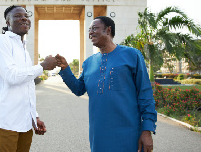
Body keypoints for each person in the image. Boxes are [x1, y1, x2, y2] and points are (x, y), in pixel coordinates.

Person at [56, 16, 157, 152]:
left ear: (108, 30)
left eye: (94, 28)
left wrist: (147, 130)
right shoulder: (89, 63)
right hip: (99, 135)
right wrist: (65, 68)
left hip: (129, 134)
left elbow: (145, 94)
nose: (90, 32)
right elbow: (78, 89)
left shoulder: (132, 55)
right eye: (89, 29)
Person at [0, 5, 57, 152]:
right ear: (8, 22)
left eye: (26, 15)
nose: (24, 18)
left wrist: (34, 117)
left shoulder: (23, 48)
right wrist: (42, 66)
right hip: (6, 120)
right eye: (18, 16)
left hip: (25, 122)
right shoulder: (1, 41)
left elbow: (27, 87)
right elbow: (11, 77)